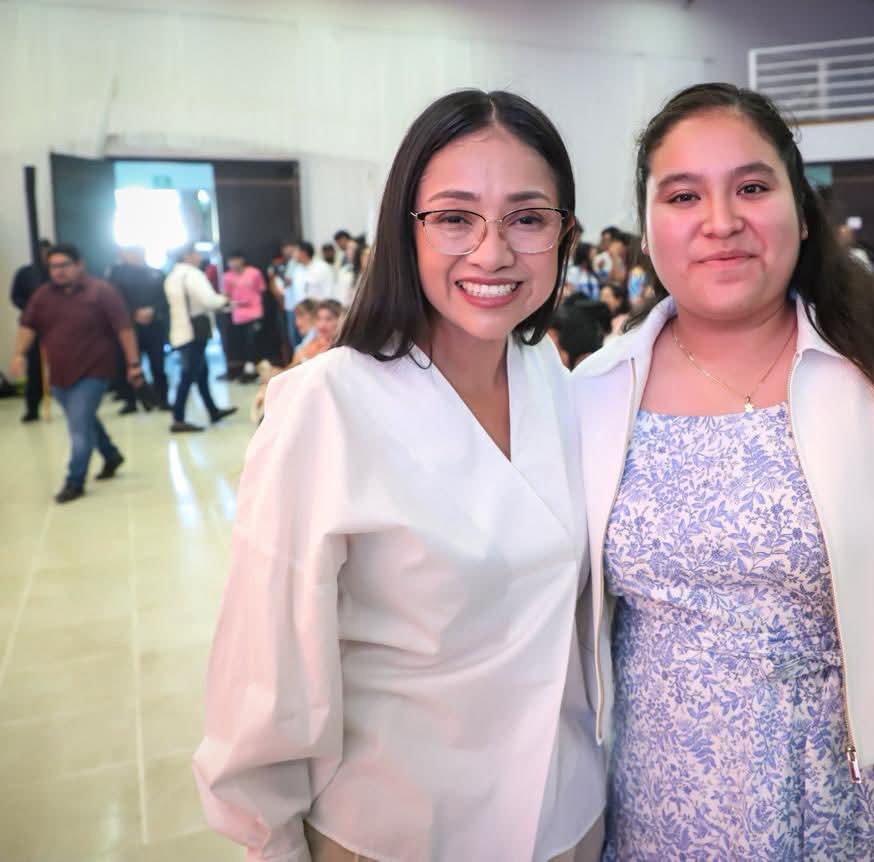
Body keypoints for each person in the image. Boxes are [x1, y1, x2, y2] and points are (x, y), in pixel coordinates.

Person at [573, 82, 874, 862]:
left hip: (856, 814)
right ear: (647, 228)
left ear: (802, 213)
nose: (720, 221)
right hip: (657, 812)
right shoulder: (593, 394)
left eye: (752, 187)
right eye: (683, 195)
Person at [194, 89, 605, 862]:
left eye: (527, 218)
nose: (492, 252)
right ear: (404, 229)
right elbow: (268, 671)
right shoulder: (327, 403)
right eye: (454, 217)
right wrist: (270, 837)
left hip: (566, 817)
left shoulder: (551, 377)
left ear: (564, 234)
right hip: (399, 829)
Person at [8, 244, 141, 503]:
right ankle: (111, 455)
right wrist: (19, 354)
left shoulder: (101, 291)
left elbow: (124, 328)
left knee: (79, 428)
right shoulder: (43, 296)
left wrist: (133, 364)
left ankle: (74, 481)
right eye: (53, 267)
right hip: (59, 374)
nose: (58, 271)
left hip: (94, 370)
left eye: (64, 265)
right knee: (85, 419)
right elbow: (27, 325)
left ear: (79, 265)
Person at [165, 245, 237, 433]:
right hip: (193, 332)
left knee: (201, 373)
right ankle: (178, 418)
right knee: (188, 375)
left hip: (181, 331)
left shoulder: (172, 276)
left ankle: (213, 411)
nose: (199, 256)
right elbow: (209, 300)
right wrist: (224, 300)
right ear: (187, 255)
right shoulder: (192, 274)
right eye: (196, 253)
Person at [106, 246, 169, 413]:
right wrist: (134, 312)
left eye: (138, 253)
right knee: (129, 364)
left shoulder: (157, 274)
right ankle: (130, 401)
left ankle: (162, 399)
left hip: (154, 325)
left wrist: (153, 311)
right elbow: (115, 300)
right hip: (130, 328)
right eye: (131, 254)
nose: (135, 257)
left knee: (158, 365)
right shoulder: (117, 276)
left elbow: (165, 298)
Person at [9, 238, 52, 421]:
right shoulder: (25, 273)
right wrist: (30, 308)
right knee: (34, 368)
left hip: (56, 325)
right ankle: (32, 408)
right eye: (41, 251)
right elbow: (15, 296)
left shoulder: (55, 272)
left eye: (47, 251)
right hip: (33, 326)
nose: (44, 255)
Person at [222, 251, 266, 382]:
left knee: (253, 342)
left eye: (235, 260)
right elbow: (226, 295)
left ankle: (254, 370)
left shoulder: (254, 273)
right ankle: (246, 369)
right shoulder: (227, 277)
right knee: (242, 344)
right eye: (230, 261)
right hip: (238, 316)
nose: (233, 263)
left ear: (242, 260)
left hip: (255, 313)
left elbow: (261, 289)